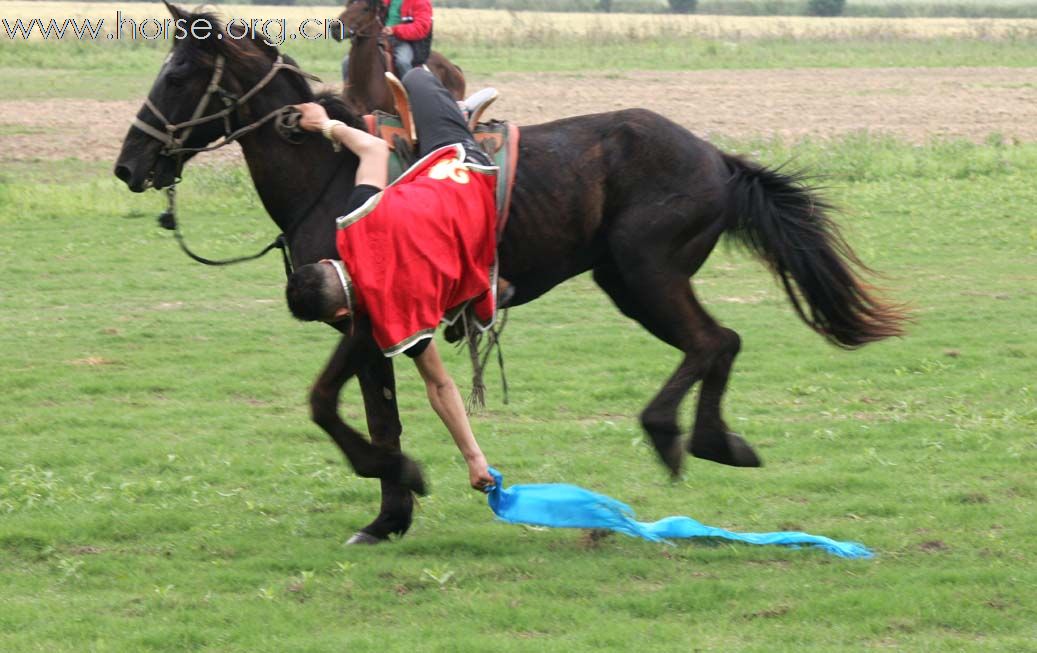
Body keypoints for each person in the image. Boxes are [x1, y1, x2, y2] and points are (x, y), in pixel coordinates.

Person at [287, 68, 497, 492]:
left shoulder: (400, 325)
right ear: (328, 262)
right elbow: (373, 149)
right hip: (457, 166)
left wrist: (476, 460)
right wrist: (325, 124)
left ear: (342, 312)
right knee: (418, 76)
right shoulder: (354, 222)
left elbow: (439, 385)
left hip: (477, 206)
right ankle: (457, 113)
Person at [341, 0, 432, 83]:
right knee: (347, 61)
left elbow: (422, 28)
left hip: (402, 41)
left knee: (403, 61)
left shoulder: (420, 2)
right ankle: (349, 91)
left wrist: (394, 30)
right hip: (380, 38)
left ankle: (409, 94)